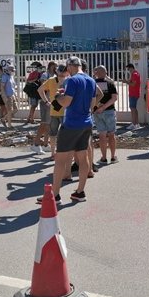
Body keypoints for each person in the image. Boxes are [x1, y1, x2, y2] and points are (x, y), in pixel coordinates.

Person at [39, 56, 96, 204]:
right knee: (83, 158)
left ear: (70, 66)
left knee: (60, 159)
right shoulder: (91, 80)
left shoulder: (71, 80)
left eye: (67, 68)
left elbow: (66, 102)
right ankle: (80, 192)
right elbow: (93, 103)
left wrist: (57, 96)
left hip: (71, 124)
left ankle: (55, 195)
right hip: (86, 122)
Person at [38, 64, 69, 160]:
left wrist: (47, 101)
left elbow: (40, 90)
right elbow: (40, 90)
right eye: (62, 71)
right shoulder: (68, 80)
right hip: (63, 111)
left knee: (54, 134)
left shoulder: (54, 80)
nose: (63, 72)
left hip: (58, 111)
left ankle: (55, 153)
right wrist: (46, 101)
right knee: (62, 134)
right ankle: (59, 154)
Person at [93, 65, 119, 163]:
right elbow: (114, 98)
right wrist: (104, 107)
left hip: (97, 111)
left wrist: (98, 107)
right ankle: (113, 157)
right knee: (111, 134)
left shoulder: (93, 83)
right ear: (106, 72)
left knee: (102, 135)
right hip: (109, 111)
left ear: (96, 73)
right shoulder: (110, 83)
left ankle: (103, 158)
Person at [124, 63, 141, 129]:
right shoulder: (136, 74)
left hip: (133, 94)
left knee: (132, 109)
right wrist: (127, 81)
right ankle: (136, 123)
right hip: (135, 93)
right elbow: (133, 83)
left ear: (131, 68)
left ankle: (134, 124)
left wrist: (126, 82)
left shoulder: (134, 74)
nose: (128, 70)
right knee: (134, 108)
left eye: (128, 69)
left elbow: (133, 84)